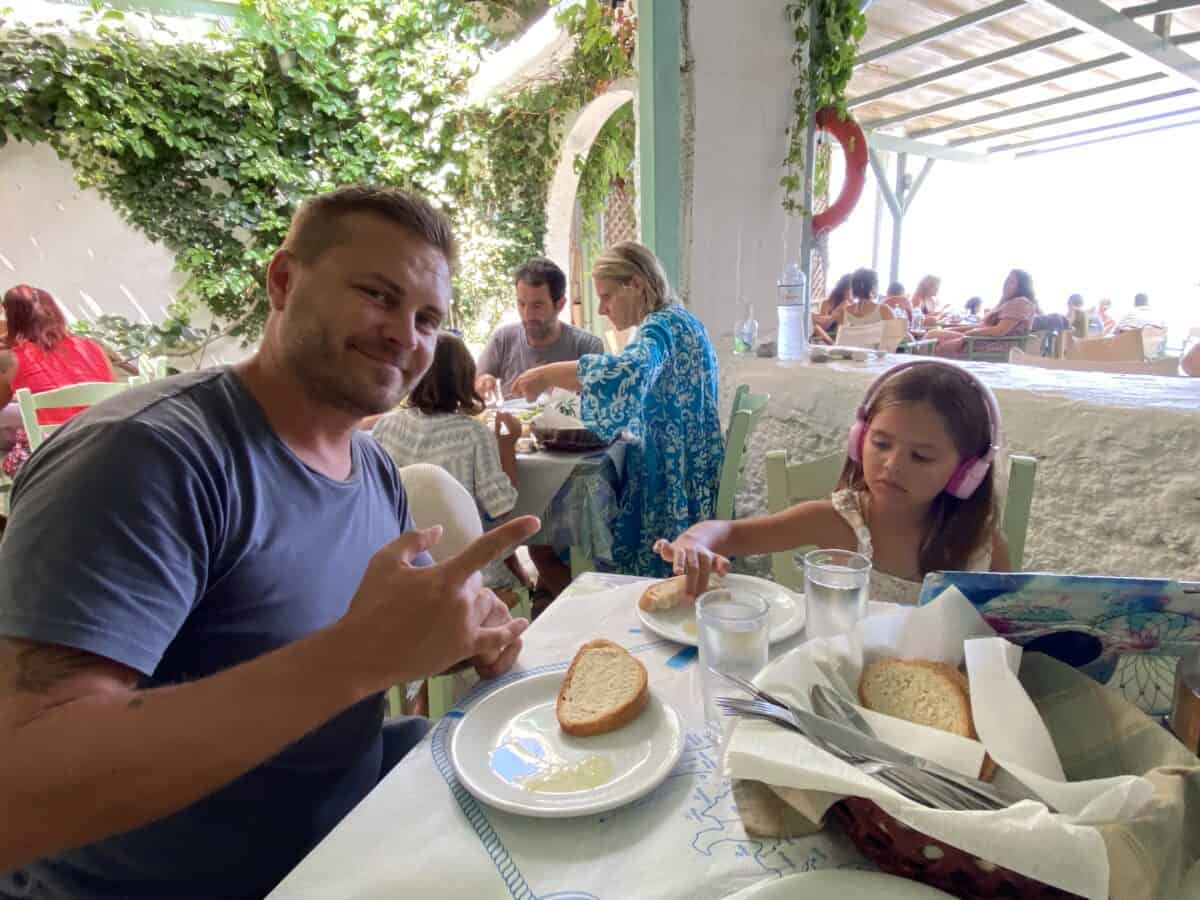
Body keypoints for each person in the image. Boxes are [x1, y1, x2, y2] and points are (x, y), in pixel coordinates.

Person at [0, 186, 539, 898]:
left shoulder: (371, 464)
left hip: (347, 831)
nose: (406, 336)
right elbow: (22, 790)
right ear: (282, 280)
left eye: (428, 318)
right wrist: (362, 655)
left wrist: (451, 637)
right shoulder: (145, 456)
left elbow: (347, 655)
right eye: (378, 295)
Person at [654, 359, 1011, 605]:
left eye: (921, 456)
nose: (892, 464)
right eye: (881, 443)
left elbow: (1000, 637)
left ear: (966, 472)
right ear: (859, 440)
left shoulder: (984, 549)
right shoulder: (836, 523)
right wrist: (697, 539)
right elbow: (730, 535)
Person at [511, 241, 723, 578]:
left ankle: (593, 594)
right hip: (694, 468)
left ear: (635, 285)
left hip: (673, 477)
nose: (602, 309)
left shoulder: (659, 327)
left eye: (607, 296)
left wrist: (549, 373)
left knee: (582, 514)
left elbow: (628, 372)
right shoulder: (681, 320)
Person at [371, 332, 528, 590]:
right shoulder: (472, 433)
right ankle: (528, 591)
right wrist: (507, 445)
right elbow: (502, 506)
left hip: (405, 562)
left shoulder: (385, 425)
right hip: (464, 569)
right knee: (498, 539)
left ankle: (524, 581)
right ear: (465, 379)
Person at [0, 285, 116, 477]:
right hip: (103, 444)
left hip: (48, 457)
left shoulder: (13, 359)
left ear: (13, 319)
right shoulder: (93, 348)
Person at [475, 257, 603, 402]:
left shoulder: (587, 347)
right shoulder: (503, 339)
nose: (527, 314)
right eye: (521, 304)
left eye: (537, 306)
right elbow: (479, 380)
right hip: (515, 424)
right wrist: (483, 382)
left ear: (560, 304)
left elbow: (599, 399)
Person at [929, 269, 1038, 357]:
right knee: (933, 334)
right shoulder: (1007, 302)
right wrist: (953, 329)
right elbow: (982, 326)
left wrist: (970, 333)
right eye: (1006, 280)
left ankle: (920, 373)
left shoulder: (1020, 302)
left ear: (1021, 286)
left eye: (1011, 282)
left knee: (932, 337)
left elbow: (999, 331)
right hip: (981, 340)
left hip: (991, 345)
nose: (1006, 284)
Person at [814, 273, 852, 338]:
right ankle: (833, 344)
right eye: (850, 289)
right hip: (826, 335)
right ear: (843, 289)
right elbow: (823, 327)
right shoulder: (827, 303)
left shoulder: (852, 305)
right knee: (815, 328)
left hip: (843, 336)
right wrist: (837, 310)